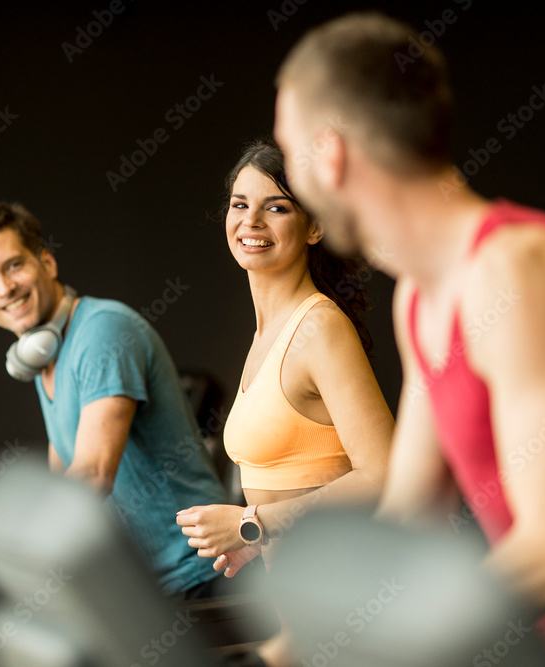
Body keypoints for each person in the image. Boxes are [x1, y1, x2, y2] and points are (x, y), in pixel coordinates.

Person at [272, 11, 545, 666]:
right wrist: (281, 652)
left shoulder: (515, 272)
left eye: (290, 151)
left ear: (331, 152)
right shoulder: (422, 298)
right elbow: (409, 519)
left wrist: (389, 635)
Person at [0, 202, 229, 598]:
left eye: (13, 266)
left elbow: (91, 476)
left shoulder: (102, 332)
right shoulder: (44, 354)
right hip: (140, 589)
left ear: (47, 262)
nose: (4, 289)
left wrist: (7, 547)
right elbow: (61, 480)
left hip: (195, 580)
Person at [176, 139, 395, 630]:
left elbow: (384, 475)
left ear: (315, 225)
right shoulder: (267, 334)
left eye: (276, 207)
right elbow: (301, 474)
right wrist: (257, 540)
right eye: (240, 204)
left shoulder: (318, 329)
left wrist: (250, 524)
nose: (251, 221)